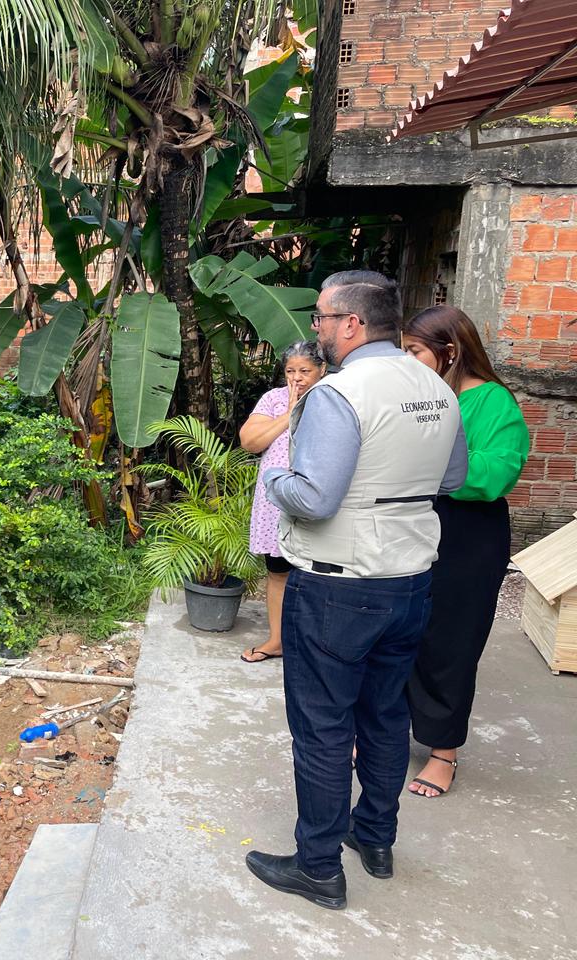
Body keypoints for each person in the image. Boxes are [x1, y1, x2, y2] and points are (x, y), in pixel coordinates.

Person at [244, 271, 468, 911]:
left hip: (339, 587)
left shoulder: (339, 394)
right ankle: (374, 838)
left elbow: (313, 500)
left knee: (322, 728)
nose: (315, 330)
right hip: (409, 582)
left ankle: (317, 866)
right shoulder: (435, 387)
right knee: (385, 714)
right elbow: (452, 479)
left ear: (350, 324)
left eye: (319, 319)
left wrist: (278, 479)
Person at [401, 306, 529, 798]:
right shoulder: (417, 395)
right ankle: (382, 730)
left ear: (449, 351)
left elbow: (497, 474)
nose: (408, 361)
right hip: (412, 524)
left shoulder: (492, 401)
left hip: (467, 533)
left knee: (451, 640)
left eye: (415, 351)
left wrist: (429, 459)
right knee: (397, 632)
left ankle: (442, 750)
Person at [238, 341, 327, 663]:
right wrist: (288, 414)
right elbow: (250, 441)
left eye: (305, 371)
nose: (297, 378)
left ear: (322, 369)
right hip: (275, 502)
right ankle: (277, 639)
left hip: (315, 498)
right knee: (277, 571)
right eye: (291, 371)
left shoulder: (332, 399)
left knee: (317, 575)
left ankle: (313, 644)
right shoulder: (274, 400)